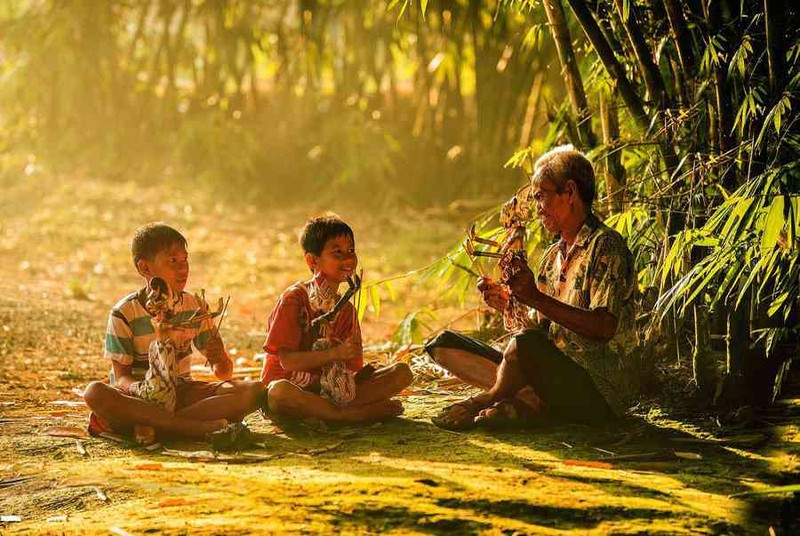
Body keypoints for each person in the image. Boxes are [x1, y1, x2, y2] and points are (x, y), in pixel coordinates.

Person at [427, 145, 638, 429]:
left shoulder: (606, 245)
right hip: (547, 373)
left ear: (571, 192)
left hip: (595, 390)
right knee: (443, 345)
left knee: (526, 347)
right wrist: (507, 303)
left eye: (541, 196)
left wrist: (536, 298)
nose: (537, 208)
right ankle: (527, 400)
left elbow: (603, 328)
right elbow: (537, 331)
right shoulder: (553, 256)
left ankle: (488, 399)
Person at [83, 223, 265, 440]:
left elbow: (223, 373)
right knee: (95, 392)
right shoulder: (124, 313)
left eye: (185, 260)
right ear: (145, 268)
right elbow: (121, 378)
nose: (183, 268)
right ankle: (190, 428)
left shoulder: (193, 307)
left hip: (182, 392)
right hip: (139, 398)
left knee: (253, 391)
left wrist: (220, 357)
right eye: (172, 261)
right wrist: (149, 390)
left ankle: (155, 427)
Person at [261, 214, 413, 422]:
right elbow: (287, 362)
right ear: (312, 260)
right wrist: (335, 353)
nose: (348, 259)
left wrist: (356, 373)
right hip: (293, 387)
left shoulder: (347, 310)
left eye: (351, 251)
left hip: (328, 391)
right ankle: (352, 415)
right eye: (337, 252)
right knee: (279, 393)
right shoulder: (295, 299)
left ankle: (328, 412)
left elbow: (349, 371)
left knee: (401, 373)